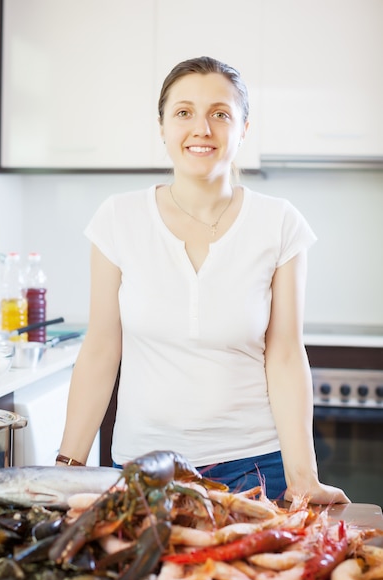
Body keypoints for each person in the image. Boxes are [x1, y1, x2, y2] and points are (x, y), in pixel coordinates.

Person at [56, 56, 349, 505]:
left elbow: (286, 354)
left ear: (243, 128)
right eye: (184, 112)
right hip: (144, 470)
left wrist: (303, 476)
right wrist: (67, 470)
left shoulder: (280, 223)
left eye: (220, 114)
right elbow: (100, 349)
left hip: (256, 468)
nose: (202, 128)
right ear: (163, 127)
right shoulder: (118, 218)